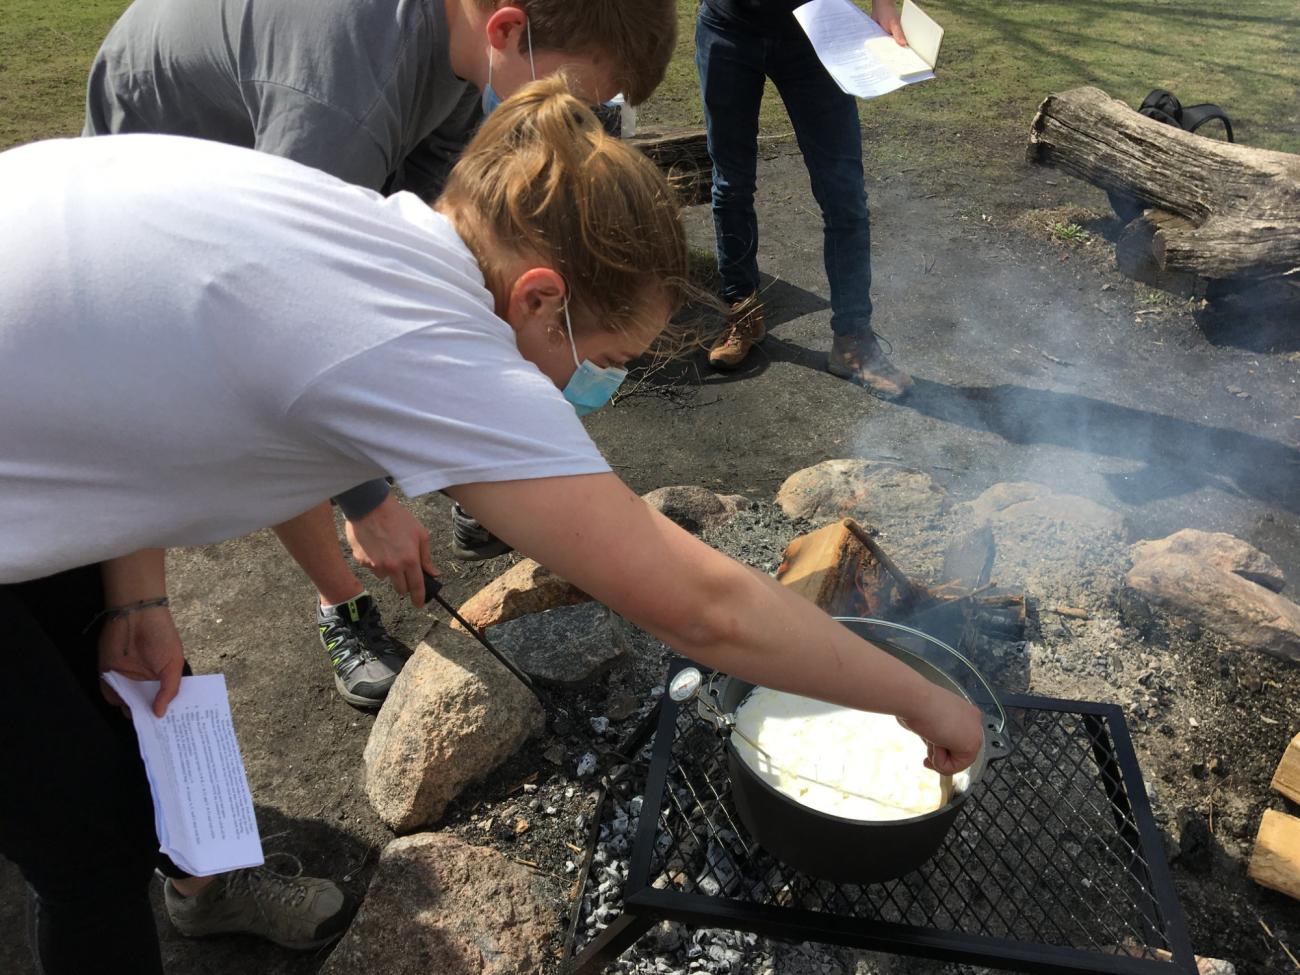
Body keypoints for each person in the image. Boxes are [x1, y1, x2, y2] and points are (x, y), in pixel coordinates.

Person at [0, 79, 983, 975]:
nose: (596, 387)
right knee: (90, 849)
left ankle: (188, 870)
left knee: (101, 761)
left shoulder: (371, 227)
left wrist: (134, 595)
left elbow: (122, 373)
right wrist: (916, 699)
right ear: (541, 298)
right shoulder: (435, 344)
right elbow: (703, 610)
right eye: (606, 359)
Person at [84, 0, 679, 708]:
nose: (570, 119)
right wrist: (366, 502)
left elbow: (425, 266)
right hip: (160, 193)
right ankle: (340, 601)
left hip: (265, 217)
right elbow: (284, 332)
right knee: (286, 402)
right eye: (573, 93)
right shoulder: (343, 107)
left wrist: (476, 454)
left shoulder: (463, 63)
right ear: (508, 31)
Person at [695, 0, 914, 399]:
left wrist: (883, 4)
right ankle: (742, 312)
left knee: (844, 194)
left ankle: (853, 340)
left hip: (818, 29)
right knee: (731, 184)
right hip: (728, 26)